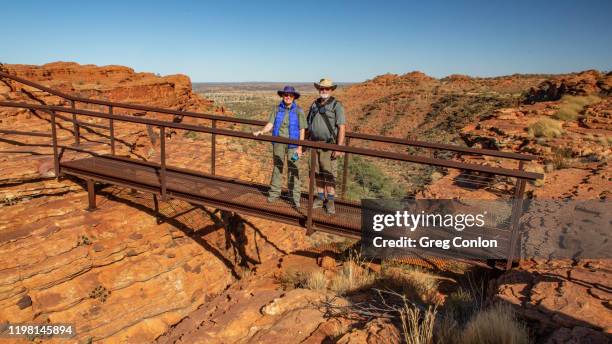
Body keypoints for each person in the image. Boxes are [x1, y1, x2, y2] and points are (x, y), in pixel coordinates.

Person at [254, 86, 307, 207]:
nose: (288, 97)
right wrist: (262, 131)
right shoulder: (277, 109)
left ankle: (294, 198)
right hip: (278, 144)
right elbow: (270, 123)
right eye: (286, 95)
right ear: (283, 96)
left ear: (294, 97)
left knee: (293, 169)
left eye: (290, 95)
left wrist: (300, 147)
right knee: (277, 168)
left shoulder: (299, 110)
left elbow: (302, 129)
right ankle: (274, 194)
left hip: (293, 146)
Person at [307, 78, 346, 214]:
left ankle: (330, 201)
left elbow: (341, 127)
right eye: (322, 88)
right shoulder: (314, 104)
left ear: (331, 90)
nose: (324, 90)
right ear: (318, 89)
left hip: (329, 146)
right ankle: (320, 197)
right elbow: (309, 124)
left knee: (329, 174)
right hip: (314, 145)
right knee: (316, 173)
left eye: (326, 88)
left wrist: (338, 147)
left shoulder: (337, 105)